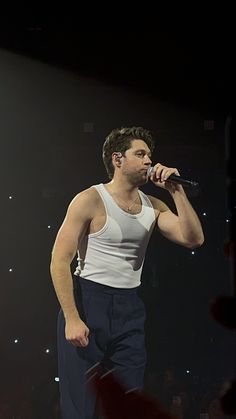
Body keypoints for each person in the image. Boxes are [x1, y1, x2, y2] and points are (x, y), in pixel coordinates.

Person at [50, 126, 204, 419]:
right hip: (88, 301)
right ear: (117, 159)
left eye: (150, 155)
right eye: (141, 154)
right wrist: (71, 317)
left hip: (129, 307)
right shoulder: (90, 199)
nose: (149, 161)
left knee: (128, 403)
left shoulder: (153, 206)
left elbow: (193, 238)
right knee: (81, 407)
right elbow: (59, 260)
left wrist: (176, 190)